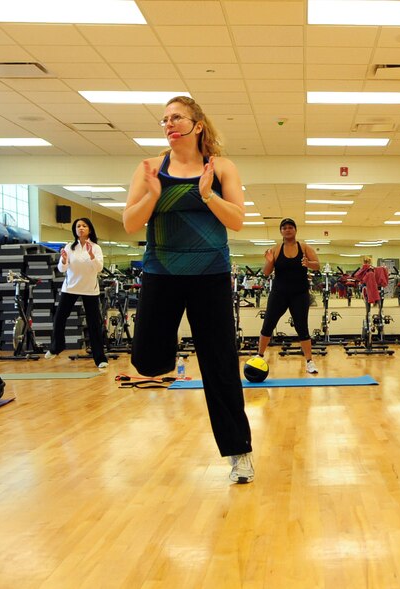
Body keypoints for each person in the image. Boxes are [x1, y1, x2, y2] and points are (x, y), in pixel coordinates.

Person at [123, 95, 254, 484]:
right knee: (147, 362)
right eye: (164, 119)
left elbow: (238, 221)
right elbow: (131, 223)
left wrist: (208, 193)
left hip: (210, 275)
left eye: (176, 117)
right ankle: (168, 360)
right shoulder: (148, 168)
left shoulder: (221, 167)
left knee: (221, 366)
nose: (169, 124)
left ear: (197, 125)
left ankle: (239, 453)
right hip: (161, 272)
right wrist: (152, 194)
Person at [256, 218, 320, 374]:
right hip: (279, 293)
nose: (287, 230)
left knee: (302, 327)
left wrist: (308, 264)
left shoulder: (304, 247)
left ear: (295, 230)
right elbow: (266, 272)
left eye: (291, 227)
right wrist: (269, 261)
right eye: (284, 228)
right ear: (281, 231)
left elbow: (317, 265)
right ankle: (259, 356)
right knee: (268, 324)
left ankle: (309, 362)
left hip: (300, 294)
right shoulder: (276, 250)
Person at [44, 217, 109, 369]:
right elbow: (62, 269)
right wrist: (64, 259)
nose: (80, 228)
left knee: (94, 324)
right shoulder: (69, 247)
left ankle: (100, 358)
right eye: (78, 226)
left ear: (89, 229)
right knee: (59, 318)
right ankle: (56, 347)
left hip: (89, 290)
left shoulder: (96, 248)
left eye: (84, 226)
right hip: (70, 288)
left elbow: (98, 268)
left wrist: (92, 255)